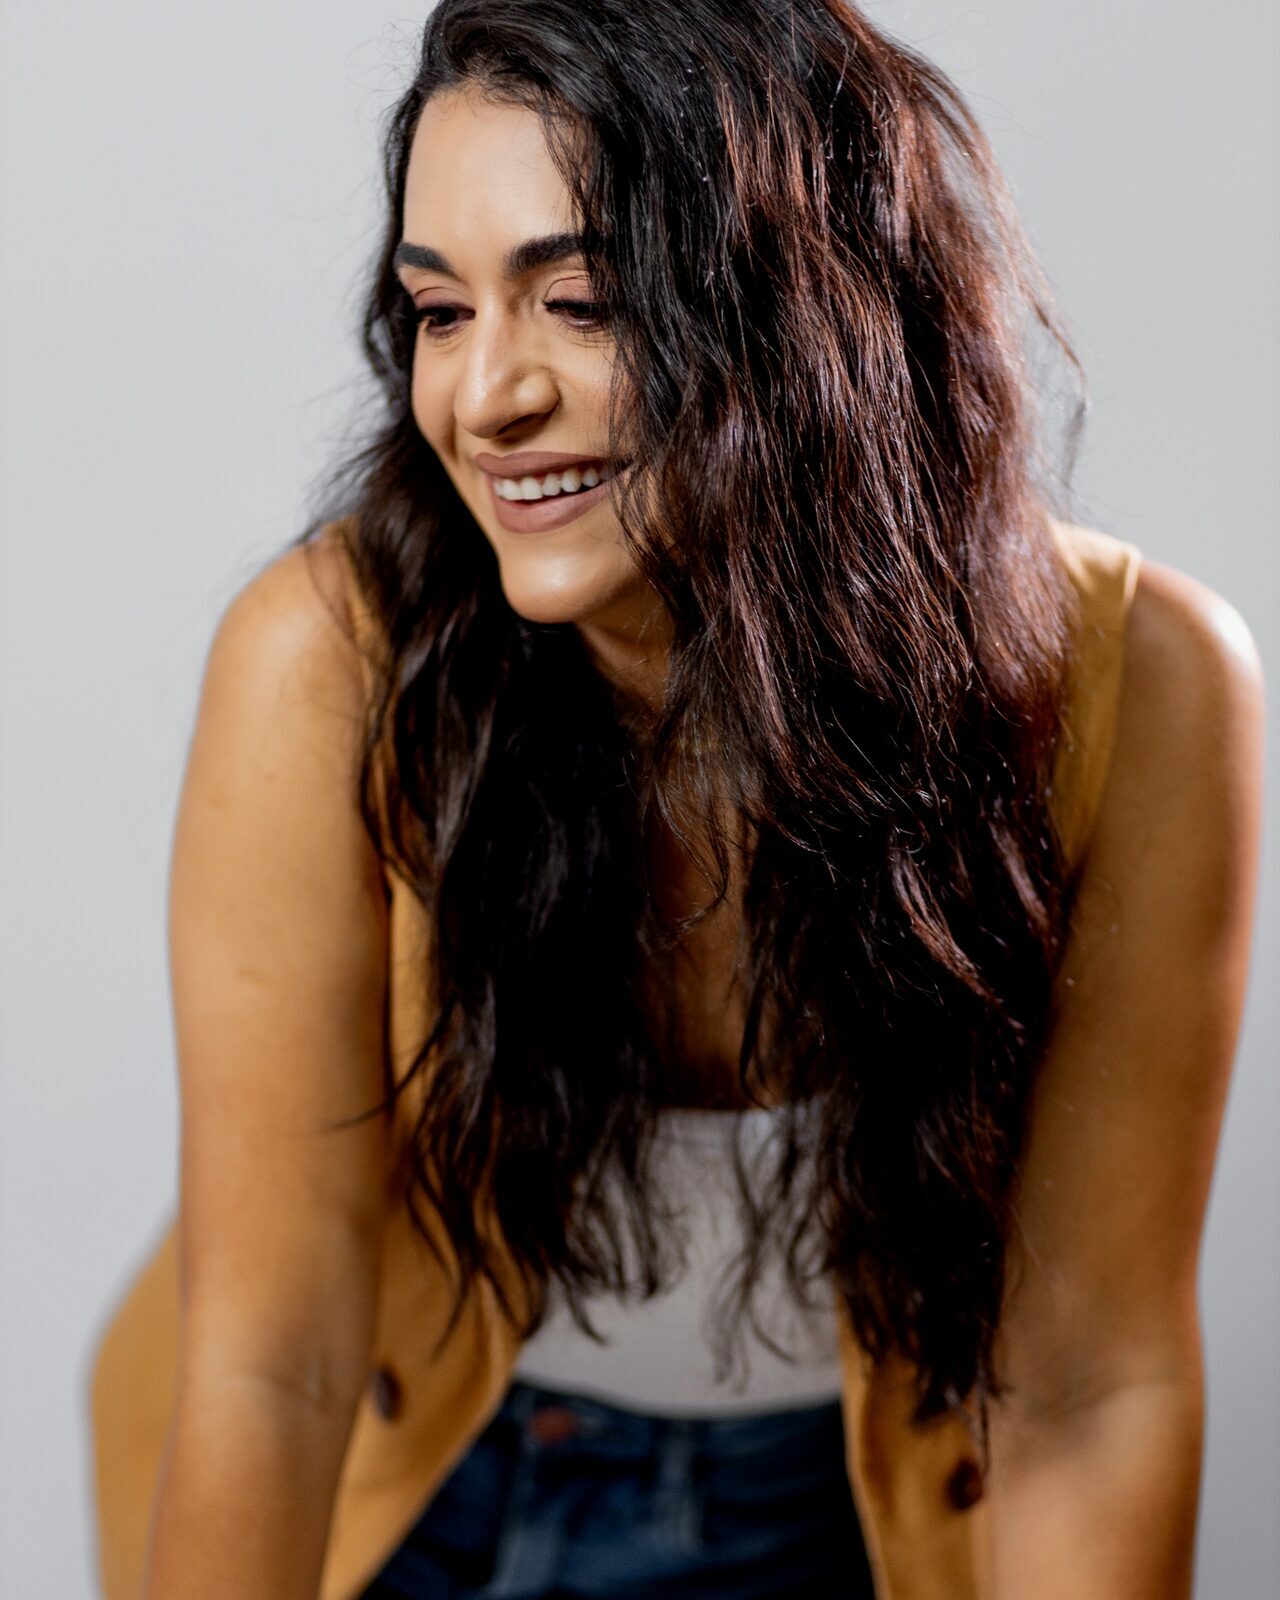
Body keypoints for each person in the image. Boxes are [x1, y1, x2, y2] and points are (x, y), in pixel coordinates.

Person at [87, 2, 1264, 1598]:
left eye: (577, 301)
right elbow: (272, 1363)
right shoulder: (328, 662)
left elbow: (1087, 1385)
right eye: (440, 311)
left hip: (849, 1501)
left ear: (806, 307)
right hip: (406, 1483)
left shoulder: (1149, 688)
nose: (484, 397)